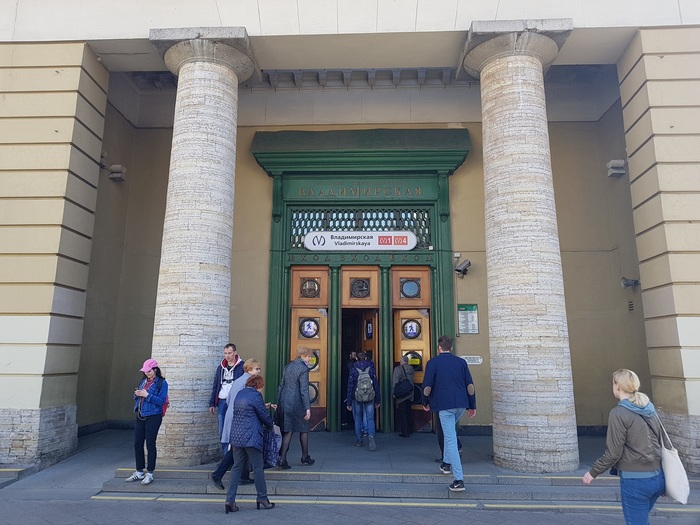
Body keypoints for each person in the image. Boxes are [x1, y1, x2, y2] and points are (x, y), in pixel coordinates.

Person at [583, 369, 665, 525]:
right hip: (658, 478)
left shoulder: (618, 413)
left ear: (618, 386)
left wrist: (593, 472)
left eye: (613, 383)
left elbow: (614, 452)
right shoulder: (650, 409)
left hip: (635, 481)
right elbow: (662, 442)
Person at [422, 335, 476, 492]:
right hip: (461, 404)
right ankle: (446, 464)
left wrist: (425, 402)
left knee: (451, 440)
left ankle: (458, 479)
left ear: (439, 348)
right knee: (449, 432)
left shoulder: (433, 363)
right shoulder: (461, 362)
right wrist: (472, 405)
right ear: (450, 348)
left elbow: (427, 386)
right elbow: (470, 385)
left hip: (444, 406)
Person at [224, 375, 275, 513]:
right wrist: (271, 425)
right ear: (258, 386)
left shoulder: (240, 394)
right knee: (258, 468)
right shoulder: (256, 396)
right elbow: (263, 415)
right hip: (251, 437)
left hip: (236, 436)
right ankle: (262, 498)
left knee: (237, 467)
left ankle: (230, 500)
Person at [210, 358, 262, 490]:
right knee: (236, 448)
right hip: (240, 419)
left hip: (232, 416)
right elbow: (248, 402)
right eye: (257, 369)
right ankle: (218, 474)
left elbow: (228, 400)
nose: (259, 371)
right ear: (249, 369)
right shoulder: (248, 382)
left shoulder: (238, 381)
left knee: (239, 447)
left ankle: (243, 476)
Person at [125, 358, 169, 485]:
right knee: (137, 443)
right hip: (140, 414)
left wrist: (147, 395)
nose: (147, 373)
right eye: (145, 371)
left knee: (150, 443)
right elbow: (136, 397)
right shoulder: (143, 381)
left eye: (149, 371)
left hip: (154, 416)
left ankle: (150, 473)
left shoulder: (162, 383)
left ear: (155, 370)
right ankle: (139, 471)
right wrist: (137, 394)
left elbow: (161, 401)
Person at [277, 346, 315, 469]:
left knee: (288, 430)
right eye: (309, 356)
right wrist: (308, 408)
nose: (309, 359)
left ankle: (282, 459)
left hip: (284, 400)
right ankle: (305, 457)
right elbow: (304, 389)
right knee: (304, 428)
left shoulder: (288, 366)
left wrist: (279, 402)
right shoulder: (303, 368)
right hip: (297, 402)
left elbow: (281, 385)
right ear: (303, 356)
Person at [209, 343, 244, 455]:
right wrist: (212, 403)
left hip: (235, 401)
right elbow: (216, 385)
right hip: (222, 400)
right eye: (225, 353)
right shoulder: (221, 367)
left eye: (229, 353)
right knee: (222, 430)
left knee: (234, 430)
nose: (227, 356)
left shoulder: (242, 366)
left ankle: (235, 458)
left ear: (235, 353)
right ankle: (226, 457)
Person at [346, 351, 381, 451]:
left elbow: (350, 386)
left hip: (356, 397)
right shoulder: (371, 369)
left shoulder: (353, 369)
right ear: (366, 358)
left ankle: (359, 440)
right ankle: (371, 435)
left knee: (358, 418)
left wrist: (348, 402)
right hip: (370, 397)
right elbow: (375, 384)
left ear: (356, 358)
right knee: (370, 418)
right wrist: (378, 399)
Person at [392, 355, 414, 438]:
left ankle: (405, 432)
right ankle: (410, 429)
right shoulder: (411, 369)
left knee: (402, 413)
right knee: (409, 411)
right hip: (410, 393)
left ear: (402, 361)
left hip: (401, 394)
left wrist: (393, 393)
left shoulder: (398, 369)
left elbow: (395, 381)